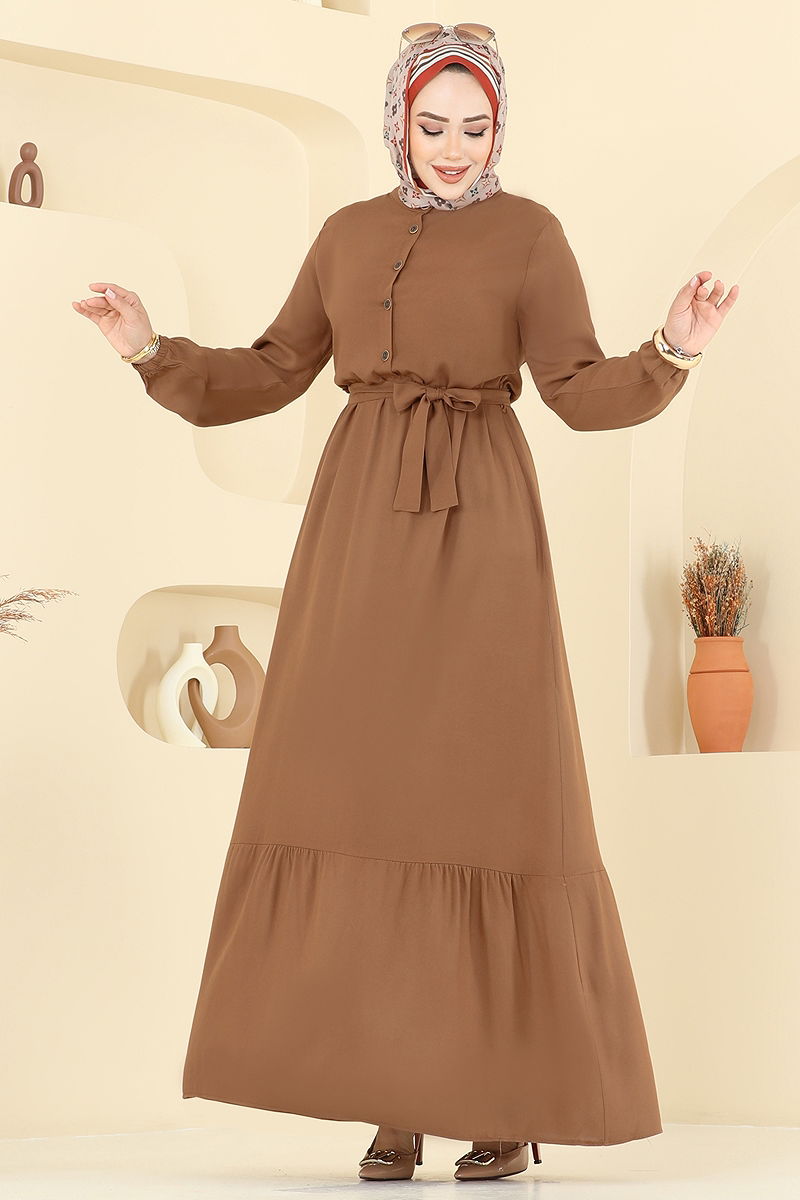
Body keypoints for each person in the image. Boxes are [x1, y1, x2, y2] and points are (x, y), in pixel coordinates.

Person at [72, 22, 738, 1185]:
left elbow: (577, 391)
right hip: (357, 536)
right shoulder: (346, 234)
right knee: (362, 795)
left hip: (482, 531)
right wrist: (147, 350)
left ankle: (500, 1105)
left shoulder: (530, 233)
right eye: (431, 125)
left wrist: (670, 351)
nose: (451, 147)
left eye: (473, 126)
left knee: (483, 798)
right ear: (398, 122)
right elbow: (270, 370)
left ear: (498, 127)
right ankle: (390, 1099)